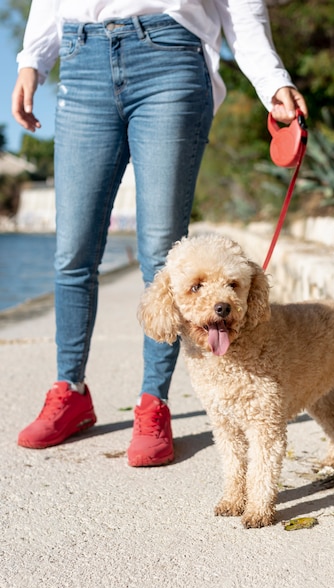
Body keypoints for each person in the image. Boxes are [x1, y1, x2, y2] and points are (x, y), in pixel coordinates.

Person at [12, 0, 308, 466]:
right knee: (73, 252)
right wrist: (33, 58)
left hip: (170, 54)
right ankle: (69, 391)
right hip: (81, 52)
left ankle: (154, 403)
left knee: (161, 257)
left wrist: (272, 79)